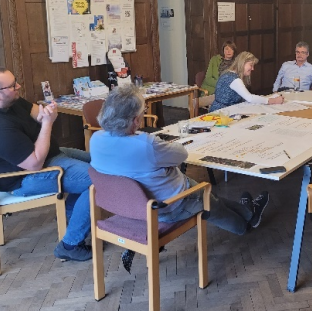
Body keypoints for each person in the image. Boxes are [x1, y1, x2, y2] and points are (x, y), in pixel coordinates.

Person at [89, 85, 270, 236]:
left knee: (210, 197)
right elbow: (181, 154)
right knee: (207, 199)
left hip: (130, 204)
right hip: (168, 206)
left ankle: (247, 211)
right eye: (143, 111)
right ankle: (245, 224)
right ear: (135, 121)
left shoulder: (95, 139)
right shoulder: (146, 145)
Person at [0, 66, 93, 261]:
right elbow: (34, 163)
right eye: (12, 85)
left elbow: (36, 112)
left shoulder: (3, 101)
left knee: (100, 161)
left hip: (47, 156)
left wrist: (45, 114)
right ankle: (70, 244)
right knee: (99, 179)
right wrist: (48, 123)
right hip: (25, 177)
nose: (18, 86)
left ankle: (71, 216)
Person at [209, 51, 284, 112]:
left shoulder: (228, 73)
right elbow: (249, 98)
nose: (252, 68)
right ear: (243, 63)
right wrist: (273, 100)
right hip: (221, 114)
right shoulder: (233, 79)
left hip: (224, 111)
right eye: (251, 65)